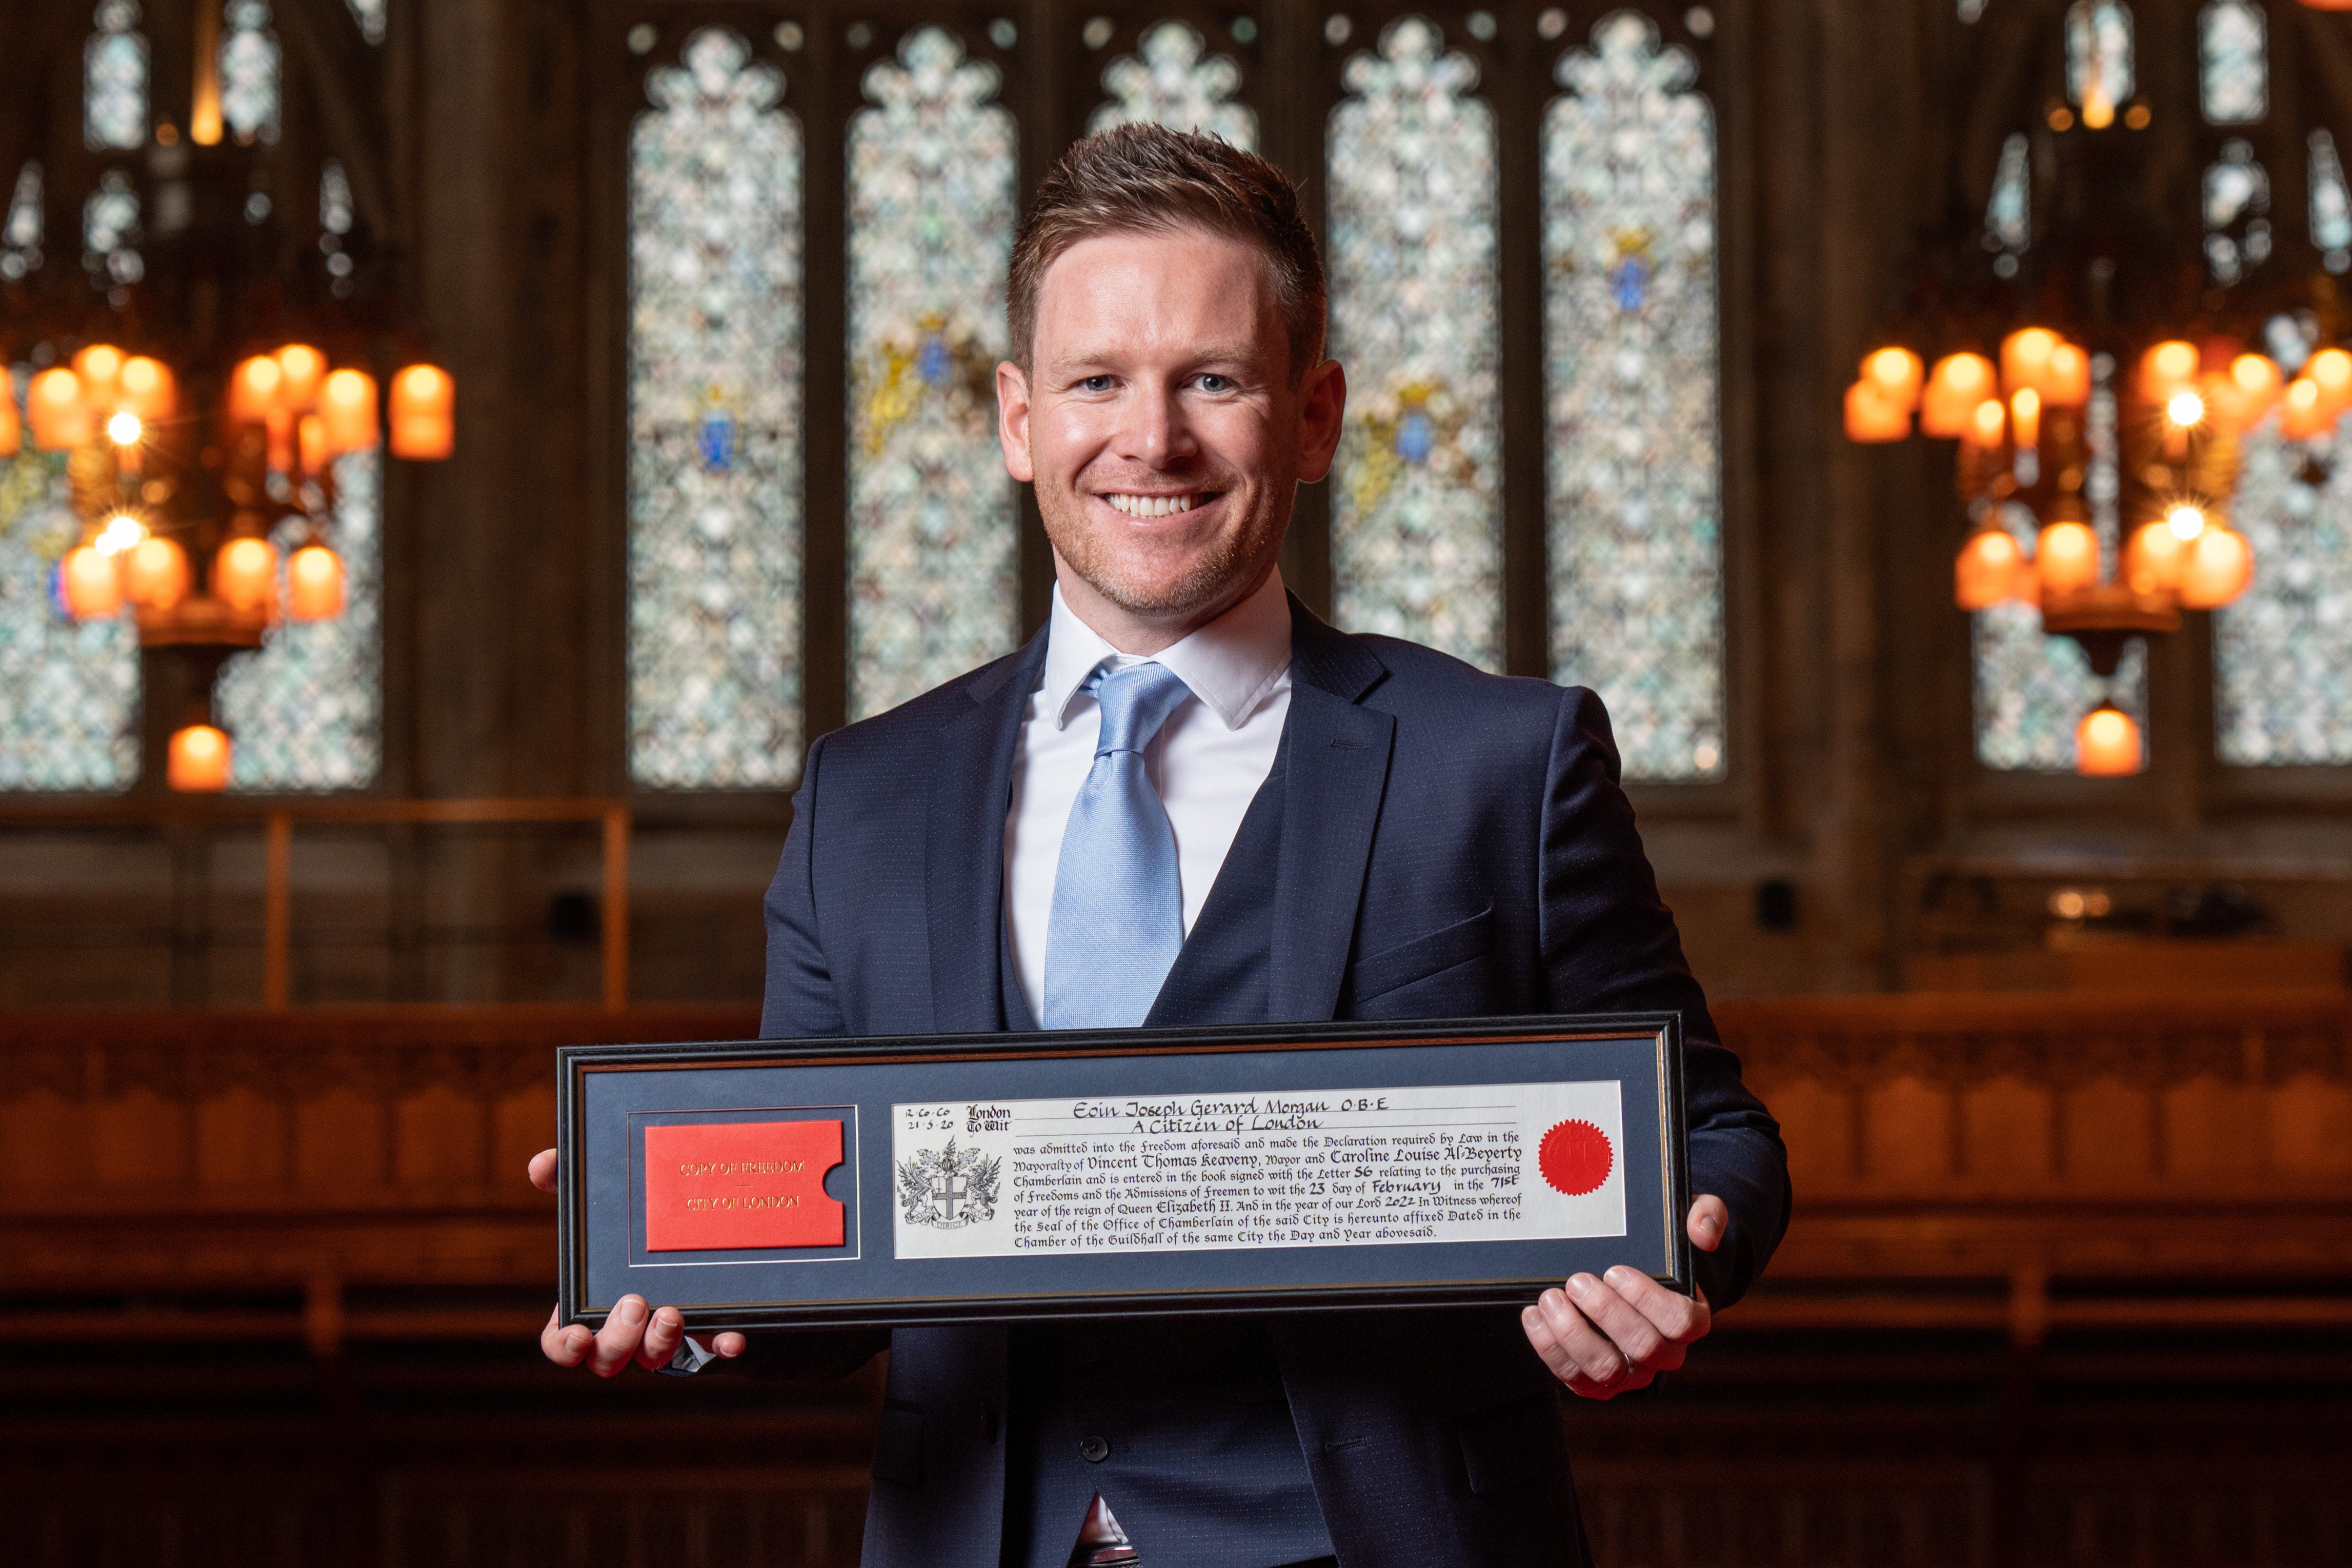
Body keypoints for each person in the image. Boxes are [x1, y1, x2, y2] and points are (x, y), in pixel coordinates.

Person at [529, 124, 1788, 1568]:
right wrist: (676, 1277)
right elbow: (836, 1266)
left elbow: (1713, 1131)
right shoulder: (861, 797)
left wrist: (1672, 1256)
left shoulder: (1498, 761)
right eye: (1094, 382)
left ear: (1312, 417)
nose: (1153, 439)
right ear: (1017, 421)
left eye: (1213, 379)